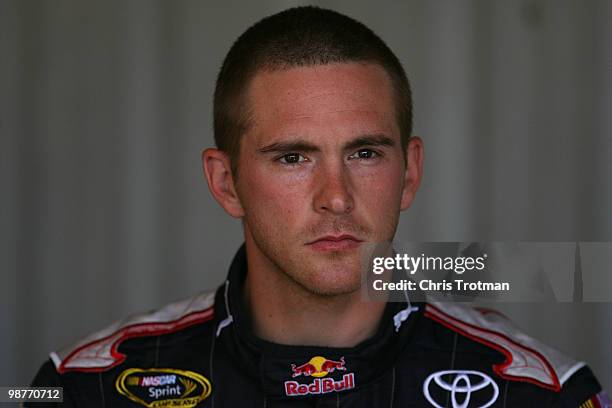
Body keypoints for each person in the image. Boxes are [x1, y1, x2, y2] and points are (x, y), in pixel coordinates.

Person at [29, 6, 608, 407]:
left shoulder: (542, 392)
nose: (336, 196)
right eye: (292, 158)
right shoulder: (83, 388)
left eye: (364, 153)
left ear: (410, 174)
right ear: (226, 182)